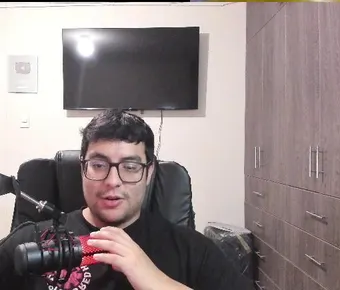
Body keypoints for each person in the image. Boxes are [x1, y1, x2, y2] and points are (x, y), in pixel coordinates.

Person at [0, 110, 251, 290]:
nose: (113, 181)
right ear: (82, 168)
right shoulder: (29, 242)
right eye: (99, 165)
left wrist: (157, 281)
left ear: (149, 173)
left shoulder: (193, 251)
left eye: (130, 167)